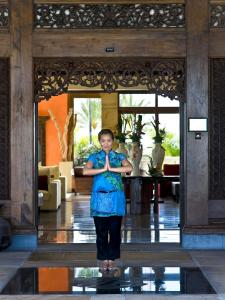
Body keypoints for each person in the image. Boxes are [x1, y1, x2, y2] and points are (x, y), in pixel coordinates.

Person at [83, 128, 133, 271]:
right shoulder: (94, 157)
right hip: (99, 199)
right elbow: (86, 171)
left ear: (113, 141)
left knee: (115, 231)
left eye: (109, 140)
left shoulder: (119, 156)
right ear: (99, 142)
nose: (106, 143)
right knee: (101, 231)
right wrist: (103, 169)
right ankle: (104, 258)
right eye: (103, 141)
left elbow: (129, 167)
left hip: (116, 199)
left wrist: (111, 168)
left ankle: (112, 258)